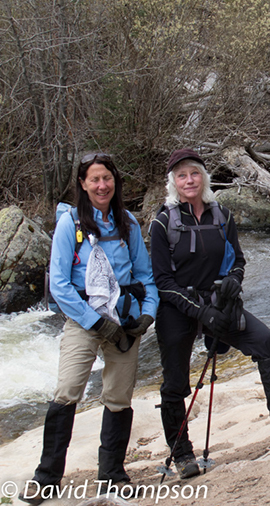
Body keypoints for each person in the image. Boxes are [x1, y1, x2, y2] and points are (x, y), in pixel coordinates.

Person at [150, 148, 270, 479]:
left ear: (204, 177)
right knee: (174, 382)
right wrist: (201, 314)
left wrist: (233, 281)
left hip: (219, 303)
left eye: (195, 173)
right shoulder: (163, 222)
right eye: (182, 175)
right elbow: (162, 282)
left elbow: (238, 260)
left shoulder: (223, 216)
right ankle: (183, 455)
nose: (189, 180)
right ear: (173, 182)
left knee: (266, 343)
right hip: (178, 308)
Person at [20, 154, 159, 505]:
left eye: (107, 179)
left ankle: (112, 476)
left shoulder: (126, 222)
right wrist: (97, 323)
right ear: (83, 184)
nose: (102, 186)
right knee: (67, 391)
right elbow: (62, 286)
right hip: (84, 320)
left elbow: (146, 276)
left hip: (125, 321)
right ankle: (46, 479)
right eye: (94, 180)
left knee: (118, 397)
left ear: (115, 182)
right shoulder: (70, 224)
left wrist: (147, 315)